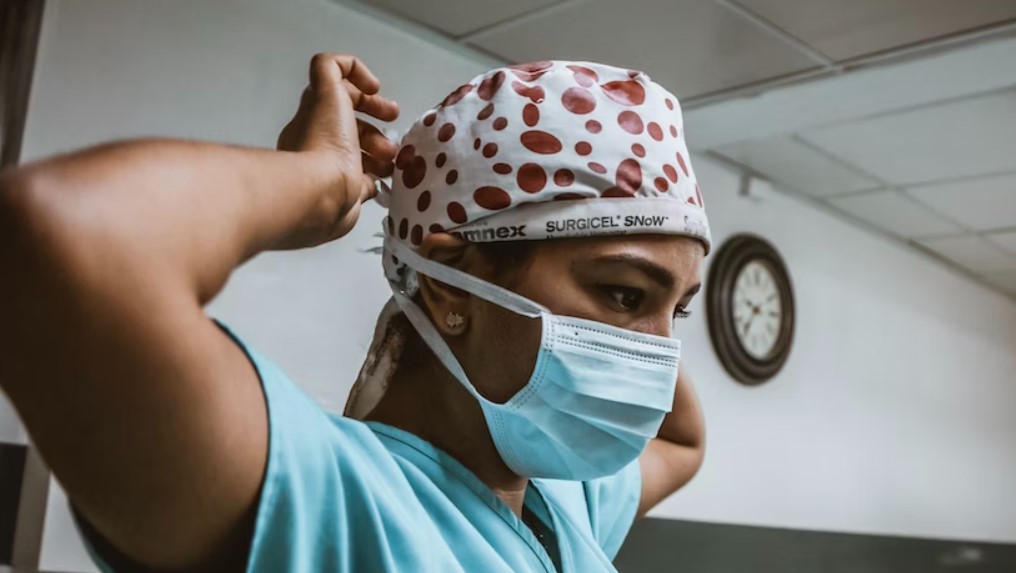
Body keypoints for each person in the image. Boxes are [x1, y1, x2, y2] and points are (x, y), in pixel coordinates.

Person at [0, 54, 708, 573]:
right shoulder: (328, 502)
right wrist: (321, 180)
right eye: (622, 293)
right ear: (451, 290)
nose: (658, 354)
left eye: (678, 310)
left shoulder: (563, 510)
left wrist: (651, 276)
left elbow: (681, 440)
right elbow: (62, 237)